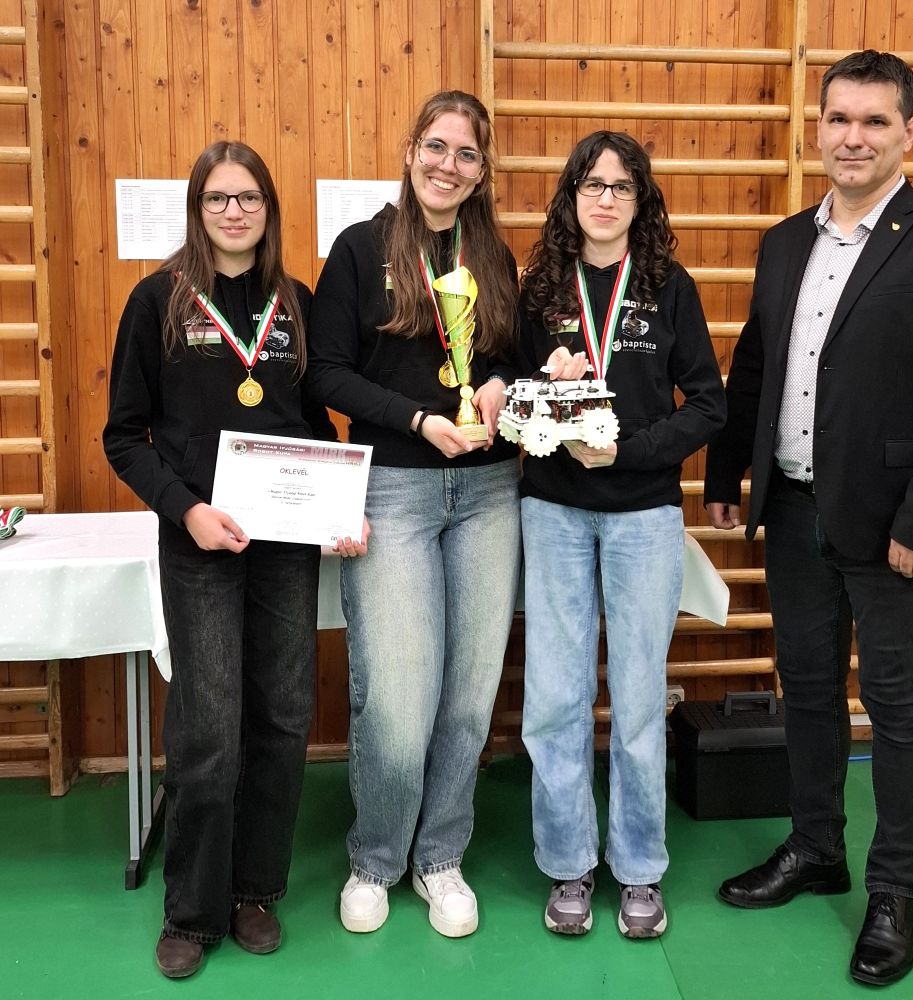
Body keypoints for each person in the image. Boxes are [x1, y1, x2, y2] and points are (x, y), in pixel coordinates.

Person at [704, 50, 913, 986]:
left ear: (909, 132)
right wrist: (728, 470)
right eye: (839, 118)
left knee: (898, 706)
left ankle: (894, 891)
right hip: (795, 511)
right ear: (819, 126)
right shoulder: (783, 243)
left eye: (875, 121)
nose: (853, 137)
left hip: (895, 528)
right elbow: (756, 366)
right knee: (806, 691)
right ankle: (816, 848)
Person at [103, 141, 362, 980]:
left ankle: (255, 891)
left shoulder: (296, 303)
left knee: (283, 716)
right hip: (200, 541)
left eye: (248, 197)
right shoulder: (157, 301)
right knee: (208, 727)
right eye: (217, 198)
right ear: (197, 208)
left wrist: (339, 506)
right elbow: (125, 437)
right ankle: (191, 909)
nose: (234, 211)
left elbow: (313, 426)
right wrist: (188, 511)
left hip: (285, 544)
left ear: (268, 209)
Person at [305, 91, 521, 939]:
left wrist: (498, 384)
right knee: (397, 694)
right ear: (410, 150)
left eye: (467, 154)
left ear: (481, 171)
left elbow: (511, 359)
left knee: (468, 694)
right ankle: (374, 859)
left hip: (489, 492)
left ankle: (440, 857)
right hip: (393, 486)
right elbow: (327, 373)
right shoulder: (361, 249)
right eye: (436, 146)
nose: (448, 165)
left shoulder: (494, 255)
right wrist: (418, 420)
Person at [517, 131, 726, 939]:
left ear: (642, 201)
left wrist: (628, 453)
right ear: (571, 196)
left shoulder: (669, 287)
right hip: (554, 510)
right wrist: (543, 384)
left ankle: (640, 869)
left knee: (639, 699)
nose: (605, 199)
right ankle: (568, 863)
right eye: (592, 185)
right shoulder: (541, 289)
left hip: (644, 514)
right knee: (555, 697)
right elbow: (508, 395)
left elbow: (707, 405)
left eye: (622, 186)